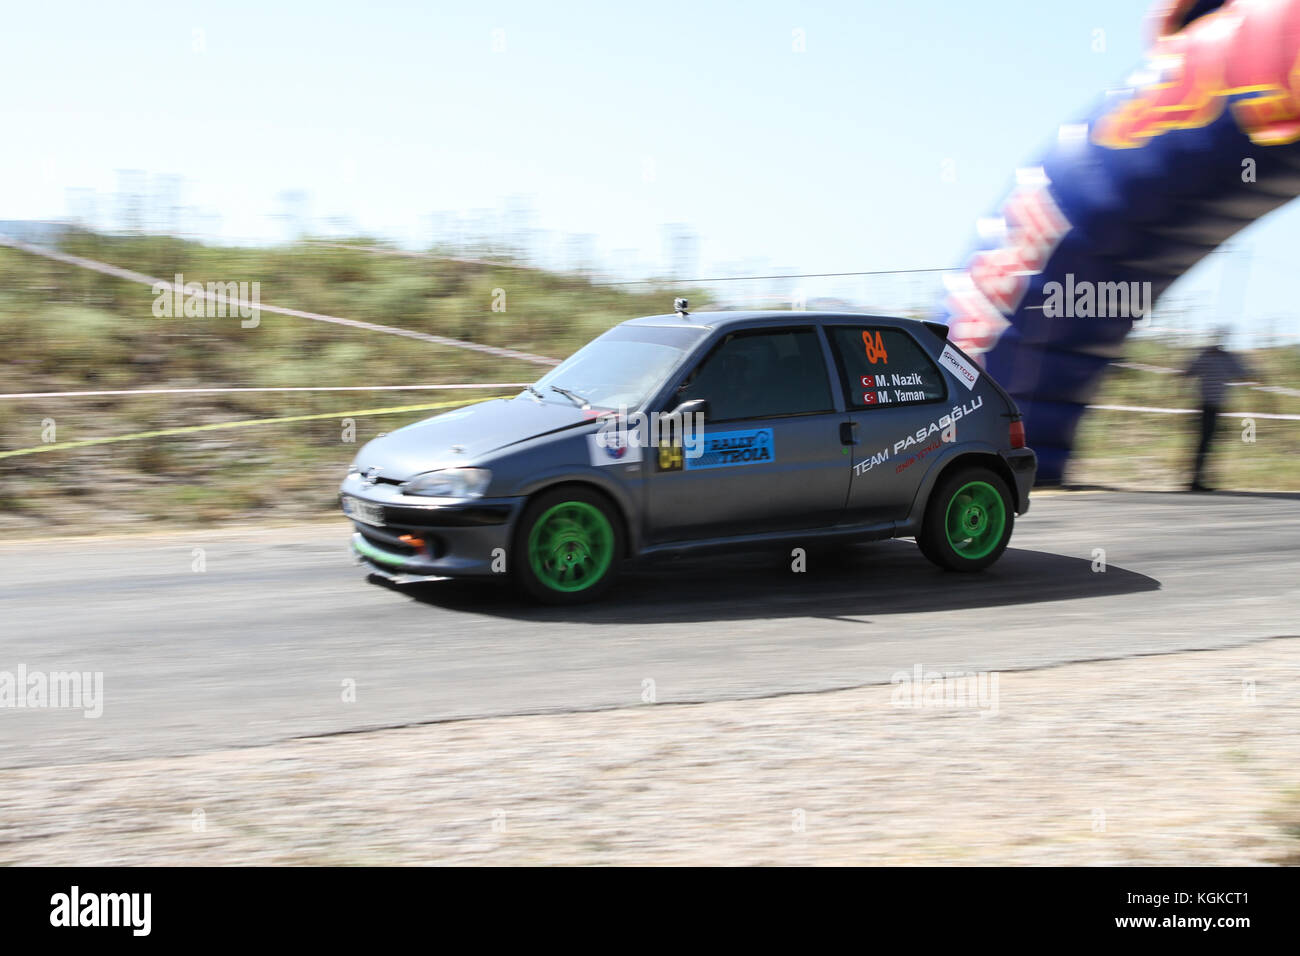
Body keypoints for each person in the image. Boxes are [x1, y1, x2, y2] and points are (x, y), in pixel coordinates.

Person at [1183, 328, 1257, 492]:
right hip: (1209, 407)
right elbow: (1244, 374)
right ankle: (1196, 479)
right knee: (1206, 443)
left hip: (1209, 406)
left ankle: (1199, 478)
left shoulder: (1208, 356)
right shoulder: (1225, 358)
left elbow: (1187, 372)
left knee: (1206, 443)